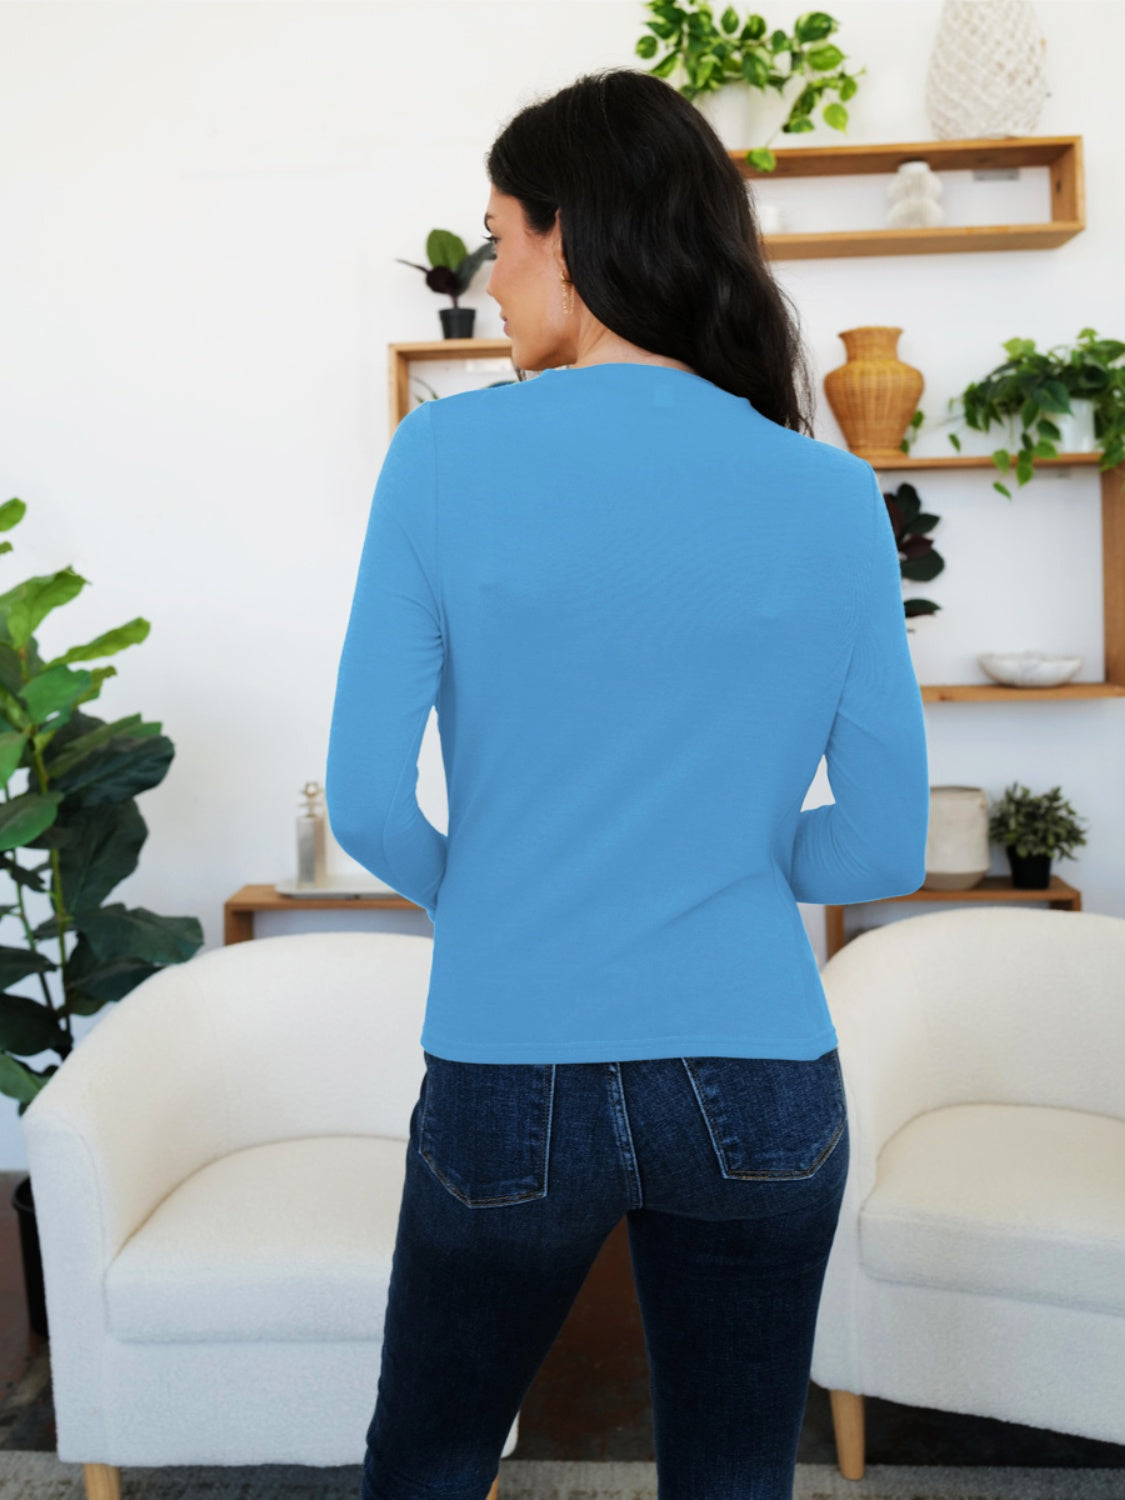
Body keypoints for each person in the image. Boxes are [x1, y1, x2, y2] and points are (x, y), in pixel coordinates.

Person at [326, 65, 930, 1500]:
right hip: (761, 1083)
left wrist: (499, 895)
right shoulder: (833, 491)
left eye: (496, 233)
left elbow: (363, 802)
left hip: (507, 1061)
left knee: (429, 1462)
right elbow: (886, 845)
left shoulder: (443, 455)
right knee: (731, 1476)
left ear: (566, 235)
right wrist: (725, 858)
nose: (493, 269)